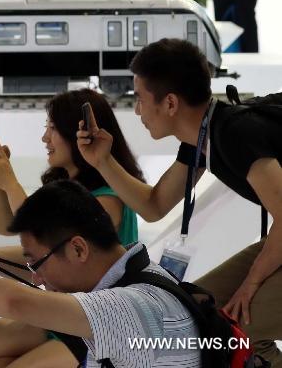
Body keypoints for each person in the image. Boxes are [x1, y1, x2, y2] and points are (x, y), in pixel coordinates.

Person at [77, 38, 282, 365]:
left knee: (232, 327)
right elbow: (154, 205)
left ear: (170, 103)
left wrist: (251, 284)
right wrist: (103, 161)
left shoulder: (234, 132)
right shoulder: (204, 136)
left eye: (141, 99)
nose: (137, 109)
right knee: (190, 309)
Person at [0, 180, 201, 368]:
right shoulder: (138, 271)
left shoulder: (128, 307)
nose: (37, 278)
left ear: (79, 250)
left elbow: (14, 302)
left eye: (37, 263)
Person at [0, 89, 144, 367]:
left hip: (96, 319)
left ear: (79, 134)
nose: (45, 138)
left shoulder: (109, 198)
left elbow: (40, 233)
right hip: (65, 308)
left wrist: (9, 181)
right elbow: (7, 225)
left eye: (52, 129)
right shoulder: (66, 186)